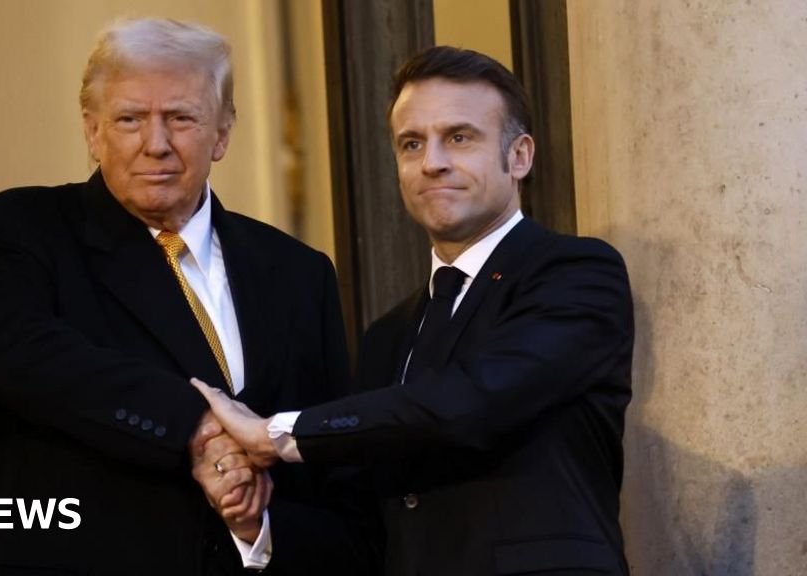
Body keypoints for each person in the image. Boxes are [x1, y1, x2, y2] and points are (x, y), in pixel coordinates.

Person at [0, 18, 374, 576]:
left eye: (181, 118)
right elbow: (13, 355)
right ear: (92, 131)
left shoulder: (297, 273)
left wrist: (260, 530)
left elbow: (335, 486)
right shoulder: (19, 232)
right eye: (130, 119)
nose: (156, 144)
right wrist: (197, 427)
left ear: (222, 133)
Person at [194, 46, 635, 576]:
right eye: (412, 144)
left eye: (459, 137)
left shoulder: (575, 273)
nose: (432, 162)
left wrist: (277, 434)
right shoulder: (388, 336)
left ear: (519, 156)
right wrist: (256, 525)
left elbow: (472, 402)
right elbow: (366, 532)